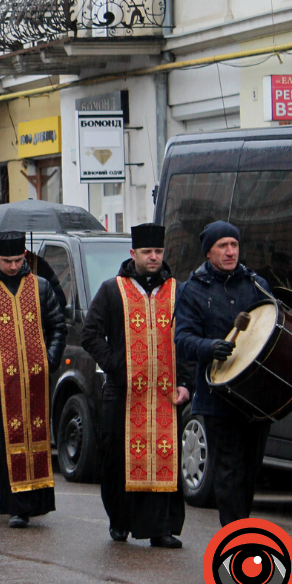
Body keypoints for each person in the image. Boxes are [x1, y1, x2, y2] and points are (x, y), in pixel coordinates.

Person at [82, 224, 191, 548]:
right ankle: (120, 521)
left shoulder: (177, 291)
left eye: (158, 251)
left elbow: (187, 339)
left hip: (165, 395)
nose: (153, 257)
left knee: (164, 457)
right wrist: (116, 364)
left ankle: (161, 527)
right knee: (117, 460)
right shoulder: (112, 289)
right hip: (123, 394)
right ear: (133, 254)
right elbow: (90, 334)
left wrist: (186, 382)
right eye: (147, 252)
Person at [0, 231, 66, 528]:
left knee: (39, 436)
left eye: (18, 260)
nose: (13, 266)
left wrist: (49, 361)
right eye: (7, 261)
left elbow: (57, 327)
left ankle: (38, 501)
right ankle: (17, 506)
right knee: (9, 441)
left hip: (35, 379)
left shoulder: (41, 286)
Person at [175, 220, 272, 526]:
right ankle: (236, 537)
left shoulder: (256, 285)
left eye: (234, 245)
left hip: (254, 397)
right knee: (228, 474)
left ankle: (240, 528)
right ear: (208, 253)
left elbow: (271, 327)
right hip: (218, 397)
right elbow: (182, 339)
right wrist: (209, 347)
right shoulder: (192, 290)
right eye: (222, 246)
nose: (230, 251)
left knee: (249, 472)